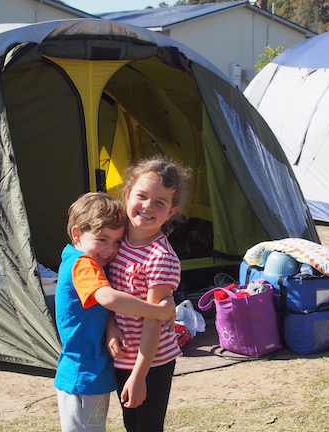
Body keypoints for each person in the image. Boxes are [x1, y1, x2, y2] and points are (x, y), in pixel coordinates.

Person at [54, 192, 176, 432]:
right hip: (82, 376)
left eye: (118, 241)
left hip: (89, 374)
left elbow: (96, 307)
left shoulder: (80, 258)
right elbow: (107, 297)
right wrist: (157, 312)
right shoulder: (83, 263)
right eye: (102, 239)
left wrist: (111, 325)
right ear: (77, 234)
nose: (111, 250)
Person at [107, 155, 192, 432]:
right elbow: (107, 291)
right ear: (128, 194)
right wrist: (110, 327)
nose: (147, 207)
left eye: (160, 202)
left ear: (171, 211)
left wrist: (139, 376)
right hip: (123, 356)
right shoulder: (116, 239)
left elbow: (154, 320)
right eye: (141, 196)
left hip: (151, 362)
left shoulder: (160, 257)